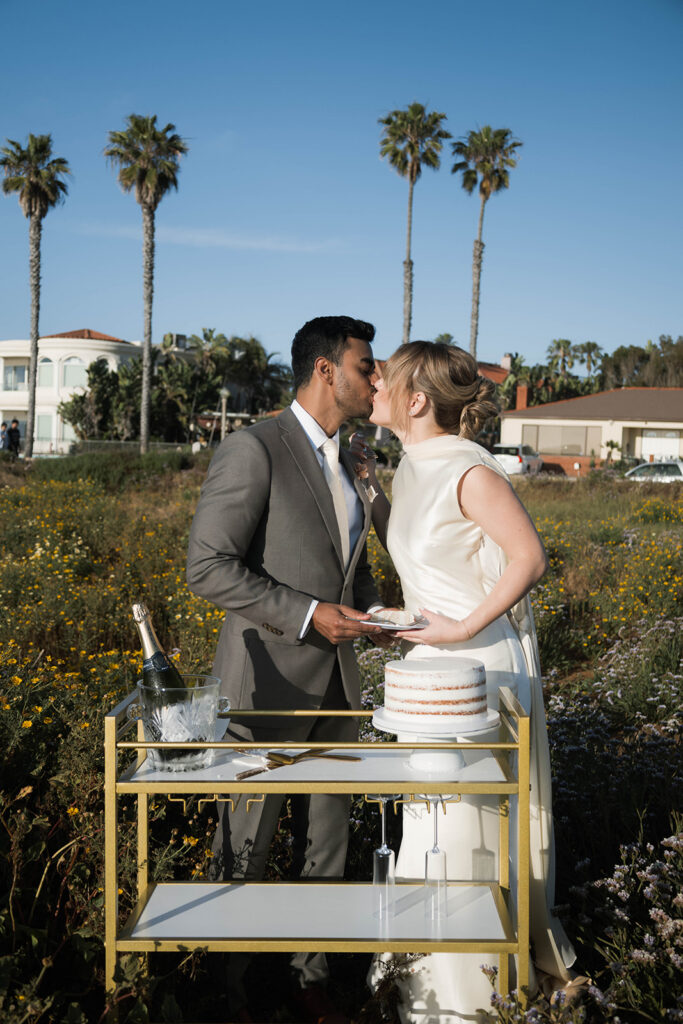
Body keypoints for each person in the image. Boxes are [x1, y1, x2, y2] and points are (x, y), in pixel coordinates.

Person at [352, 341, 577, 1023]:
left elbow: (528, 557)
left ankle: (475, 998)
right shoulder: (415, 465)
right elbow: (427, 548)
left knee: (463, 831)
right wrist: (372, 494)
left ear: (416, 401)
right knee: (428, 825)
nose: (372, 388)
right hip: (432, 670)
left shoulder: (469, 471)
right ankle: (424, 992)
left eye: (383, 380)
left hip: (477, 667)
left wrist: (461, 626)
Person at [186, 315, 389, 1024]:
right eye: (368, 365)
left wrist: (374, 615)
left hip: (340, 683)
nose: (378, 378)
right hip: (264, 684)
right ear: (326, 370)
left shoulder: (355, 456)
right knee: (246, 841)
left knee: (328, 841)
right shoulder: (254, 448)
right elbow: (206, 567)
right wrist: (307, 615)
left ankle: (310, 981)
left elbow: (345, 564)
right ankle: (230, 993)